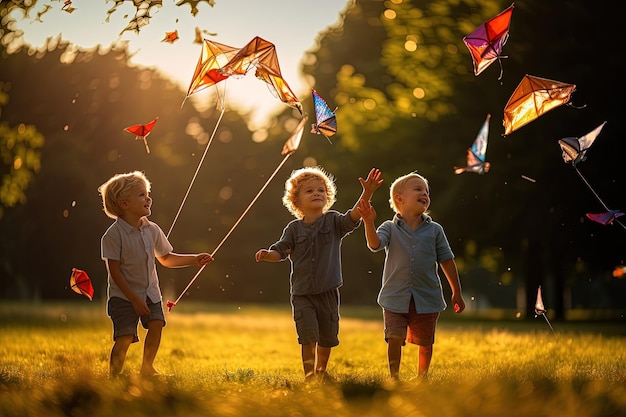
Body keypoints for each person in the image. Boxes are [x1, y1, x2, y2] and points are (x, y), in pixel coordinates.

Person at [255, 166, 383, 382]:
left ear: (328, 196)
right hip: (302, 293)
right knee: (308, 336)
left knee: (327, 337)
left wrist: (367, 193)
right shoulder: (293, 229)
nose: (317, 193)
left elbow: (354, 216)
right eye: (309, 191)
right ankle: (309, 377)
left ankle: (321, 372)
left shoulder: (333, 221)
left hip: (328, 291)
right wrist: (268, 254)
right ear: (296, 200)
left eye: (321, 190)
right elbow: (281, 251)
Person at [98, 171, 213, 379]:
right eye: (141, 195)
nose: (148, 198)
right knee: (124, 336)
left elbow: (166, 258)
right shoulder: (113, 235)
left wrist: (194, 259)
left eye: (147, 193)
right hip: (123, 297)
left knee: (156, 325)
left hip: (151, 293)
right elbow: (114, 271)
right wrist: (133, 299)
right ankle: (114, 376)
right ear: (124, 204)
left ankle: (147, 368)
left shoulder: (152, 230)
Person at [356, 171, 465, 381]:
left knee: (425, 341)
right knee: (394, 337)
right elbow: (375, 244)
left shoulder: (435, 230)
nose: (424, 193)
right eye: (418, 189)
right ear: (400, 199)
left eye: (426, 191)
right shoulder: (388, 227)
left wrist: (456, 292)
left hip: (427, 297)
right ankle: (394, 379)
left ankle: (421, 377)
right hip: (395, 296)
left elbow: (447, 260)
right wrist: (368, 222)